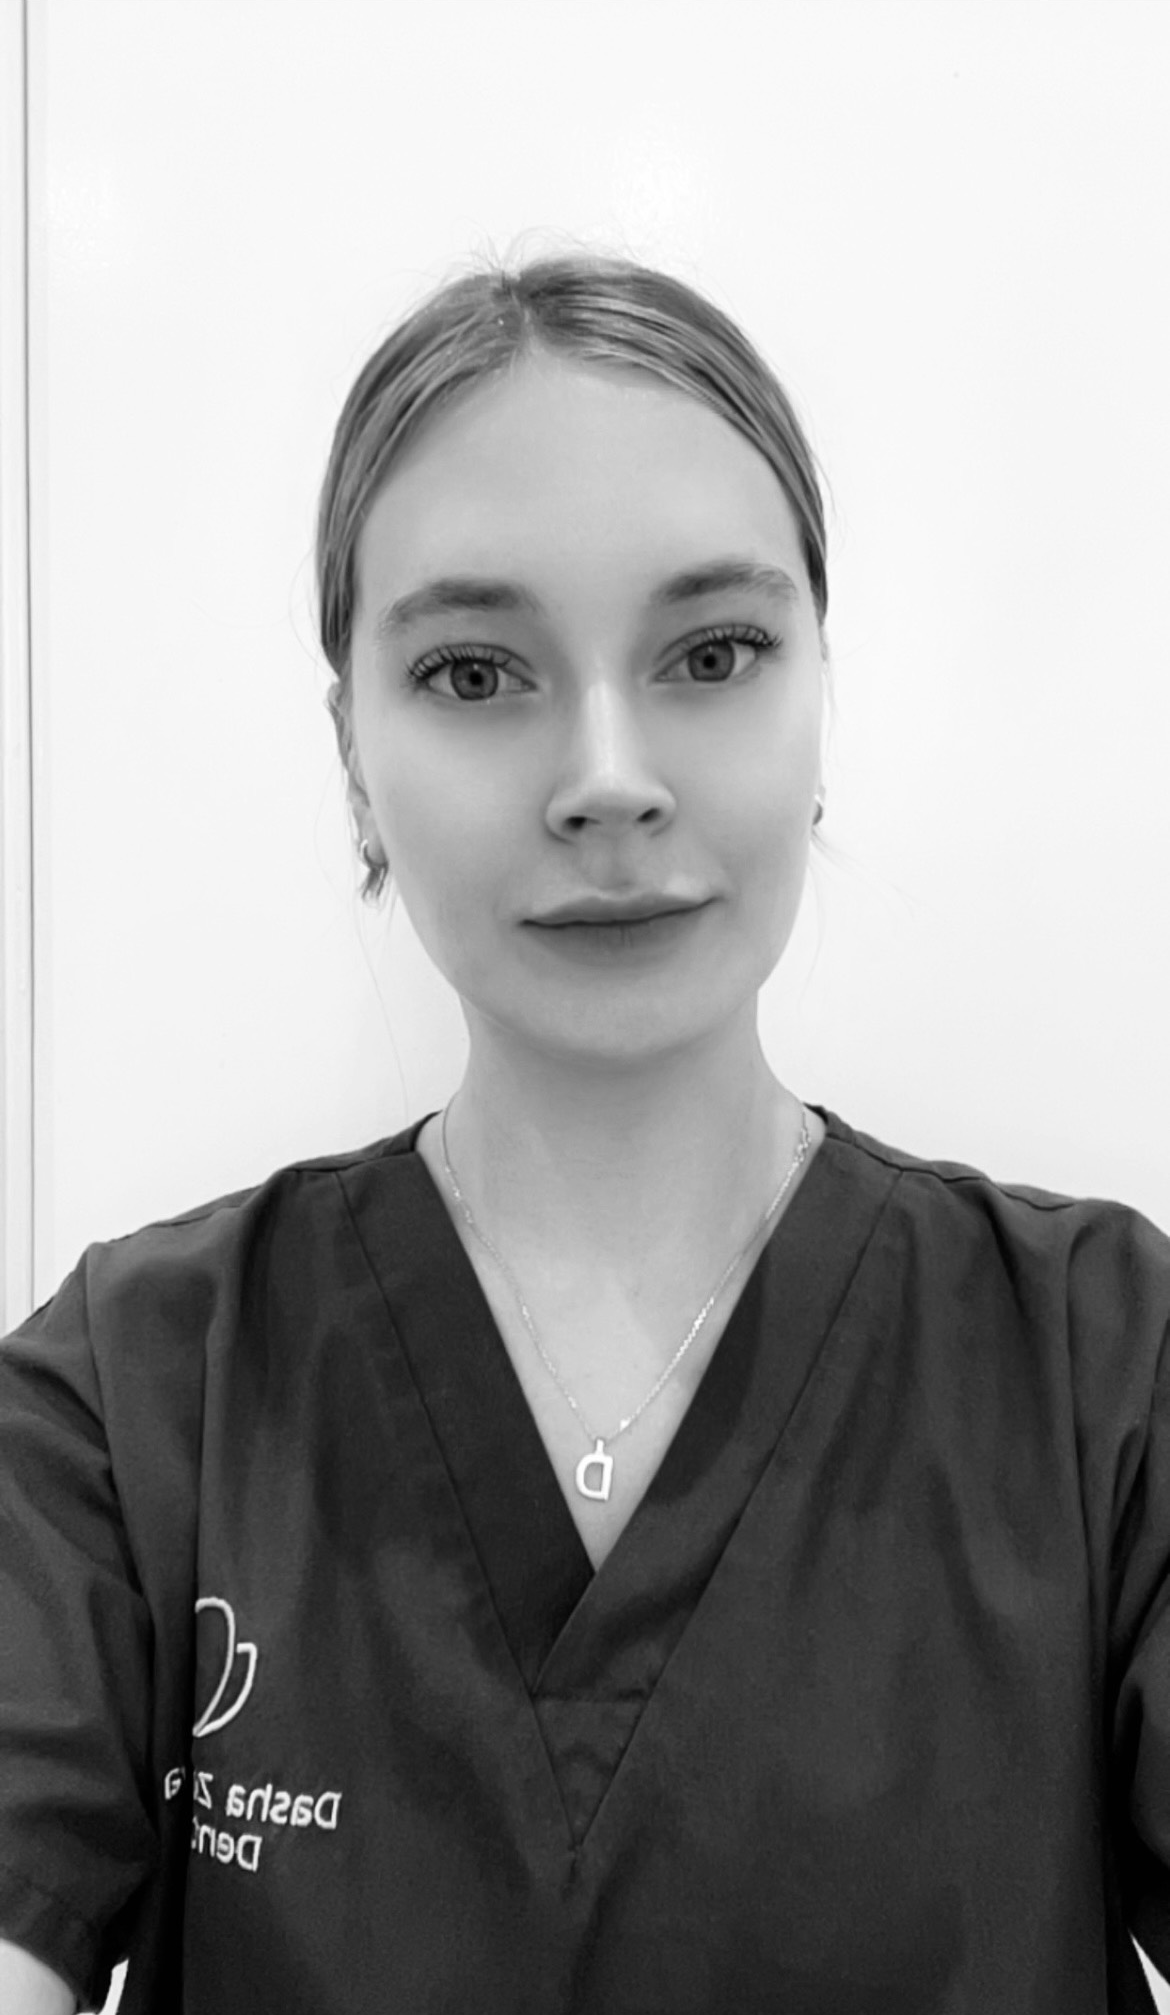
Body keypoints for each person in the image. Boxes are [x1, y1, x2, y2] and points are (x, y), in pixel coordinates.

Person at [1, 249, 1169, 2015]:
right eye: (476, 671)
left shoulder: (1104, 1378)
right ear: (352, 753)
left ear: (819, 697)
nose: (607, 774)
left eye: (712, 652)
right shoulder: (127, 1405)